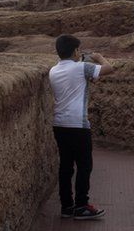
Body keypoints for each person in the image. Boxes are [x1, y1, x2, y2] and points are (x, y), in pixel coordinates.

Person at [49, 34, 115, 220]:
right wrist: (99, 57)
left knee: (66, 166)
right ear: (76, 51)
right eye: (79, 49)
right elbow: (110, 69)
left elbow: (78, 84)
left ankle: (67, 206)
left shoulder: (53, 71)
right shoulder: (81, 68)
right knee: (84, 165)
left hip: (60, 124)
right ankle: (82, 204)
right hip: (78, 124)